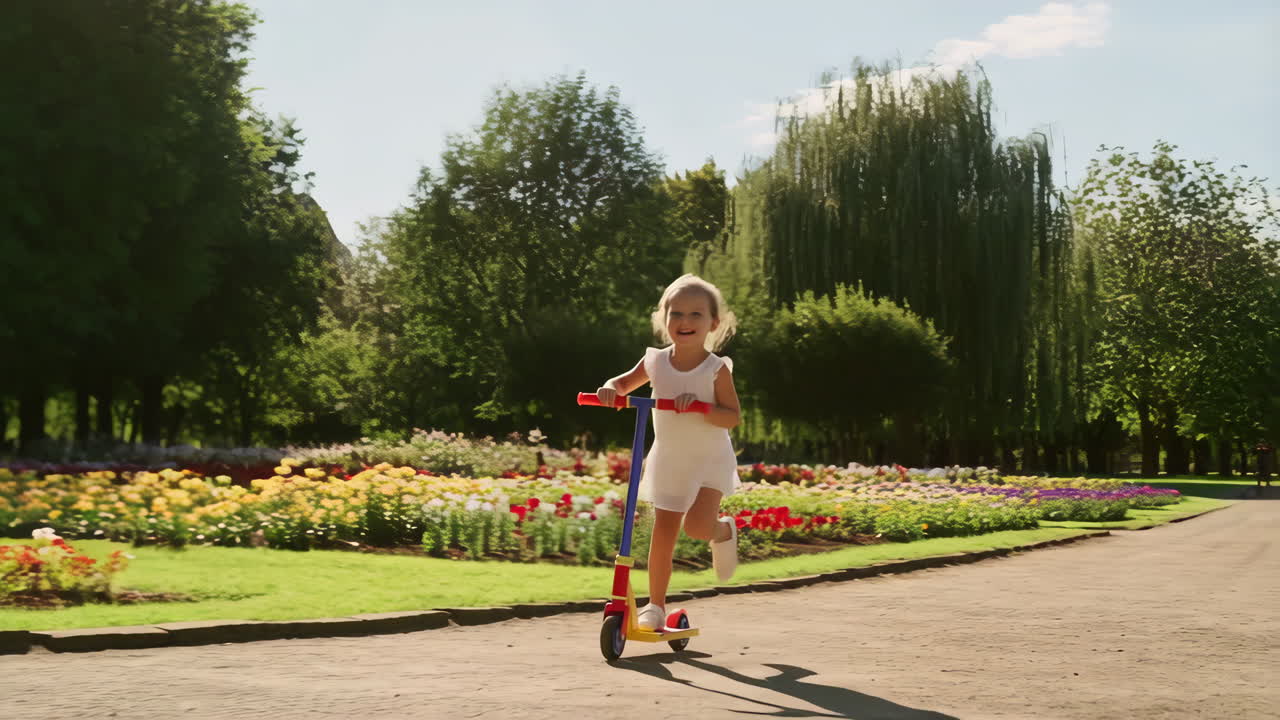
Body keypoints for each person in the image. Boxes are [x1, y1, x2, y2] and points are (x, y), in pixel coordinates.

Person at [595, 274, 741, 631]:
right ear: (664, 319)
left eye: (695, 315)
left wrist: (703, 408)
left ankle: (723, 532)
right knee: (662, 535)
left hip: (709, 461)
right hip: (670, 461)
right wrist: (611, 390)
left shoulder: (715, 369)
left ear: (713, 323)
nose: (685, 322)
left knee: (696, 527)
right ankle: (655, 607)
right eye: (676, 314)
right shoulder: (655, 362)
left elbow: (732, 417)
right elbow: (623, 383)